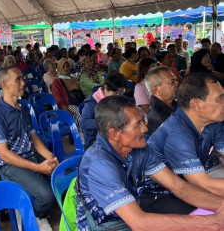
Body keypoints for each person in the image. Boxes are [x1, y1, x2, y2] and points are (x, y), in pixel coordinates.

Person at [77, 95, 224, 231]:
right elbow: (140, 223)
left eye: (143, 120)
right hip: (106, 225)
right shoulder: (100, 165)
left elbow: (179, 187)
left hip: (131, 213)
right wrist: (212, 221)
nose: (145, 128)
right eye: (137, 124)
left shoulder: (139, 149)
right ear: (114, 133)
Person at [0, 67, 58, 231]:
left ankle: (42, 209)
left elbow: (35, 139)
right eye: (18, 79)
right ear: (5, 84)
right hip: (12, 165)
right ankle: (37, 216)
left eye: (22, 78)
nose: (23, 83)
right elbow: (4, 154)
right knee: (46, 196)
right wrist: (38, 167)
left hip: (31, 155)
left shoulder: (23, 109)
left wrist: (50, 157)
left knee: (62, 175)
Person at [148, 73, 224, 195]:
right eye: (219, 99)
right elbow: (203, 183)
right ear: (195, 104)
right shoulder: (177, 134)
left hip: (194, 175)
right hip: (162, 192)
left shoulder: (213, 121)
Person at [79, 72, 126, 148]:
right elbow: (84, 123)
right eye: (115, 93)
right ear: (106, 87)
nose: (118, 97)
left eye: (120, 94)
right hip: (95, 141)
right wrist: (106, 122)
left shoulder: (114, 98)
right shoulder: (92, 102)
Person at [145, 66, 178, 136]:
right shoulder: (159, 117)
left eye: (175, 80)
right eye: (172, 82)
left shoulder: (175, 104)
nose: (177, 83)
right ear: (157, 90)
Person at [52, 58, 85, 123]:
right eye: (63, 66)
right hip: (67, 106)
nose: (66, 68)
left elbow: (81, 93)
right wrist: (68, 112)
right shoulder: (56, 81)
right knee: (82, 116)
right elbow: (58, 99)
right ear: (59, 68)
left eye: (67, 66)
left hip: (78, 103)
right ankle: (80, 132)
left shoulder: (72, 79)